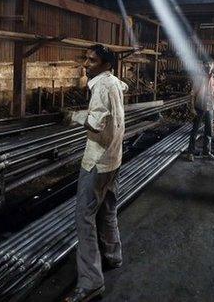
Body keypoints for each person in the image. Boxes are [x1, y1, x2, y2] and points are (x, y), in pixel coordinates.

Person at [64, 44, 127, 302]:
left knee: (84, 217)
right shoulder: (113, 83)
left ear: (106, 65)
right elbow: (124, 87)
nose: (86, 64)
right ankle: (113, 256)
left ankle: (91, 282)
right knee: (108, 210)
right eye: (86, 59)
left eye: (92, 60)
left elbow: (95, 126)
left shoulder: (101, 87)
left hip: (97, 162)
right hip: (114, 158)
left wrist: (74, 117)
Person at [185, 61, 214, 162]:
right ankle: (190, 152)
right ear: (204, 66)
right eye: (207, 64)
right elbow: (192, 94)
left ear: (213, 66)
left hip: (210, 108)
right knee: (195, 130)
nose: (208, 66)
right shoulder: (198, 78)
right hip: (199, 107)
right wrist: (192, 108)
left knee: (208, 131)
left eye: (210, 64)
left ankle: (206, 152)